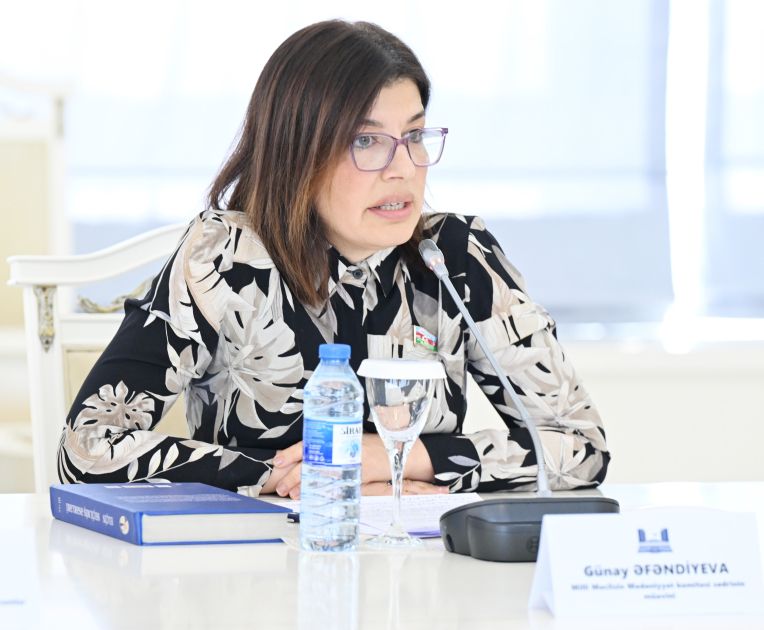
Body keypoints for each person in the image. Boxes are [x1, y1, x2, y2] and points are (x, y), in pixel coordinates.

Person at [59, 20, 610, 498]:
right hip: (257, 564)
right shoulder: (226, 259)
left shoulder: (455, 256)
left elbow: (581, 447)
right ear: (298, 152)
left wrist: (393, 460)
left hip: (418, 567)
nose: (404, 168)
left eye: (414, 134)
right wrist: (299, 475)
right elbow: (87, 448)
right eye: (367, 141)